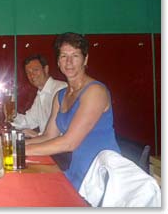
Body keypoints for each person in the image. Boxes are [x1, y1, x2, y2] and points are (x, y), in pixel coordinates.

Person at [25, 32, 120, 191]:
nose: (69, 62)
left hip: (100, 178)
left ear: (85, 59)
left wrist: (19, 151)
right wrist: (12, 145)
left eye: (75, 55)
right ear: (58, 61)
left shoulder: (95, 91)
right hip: (76, 170)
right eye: (63, 56)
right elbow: (49, 136)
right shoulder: (60, 95)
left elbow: (70, 142)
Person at [10, 54, 67, 137]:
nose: (31, 75)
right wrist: (13, 115)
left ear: (46, 69)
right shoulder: (40, 94)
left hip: (61, 148)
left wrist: (37, 135)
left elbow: (64, 132)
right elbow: (28, 121)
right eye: (28, 72)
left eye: (35, 70)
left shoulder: (61, 89)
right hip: (47, 146)